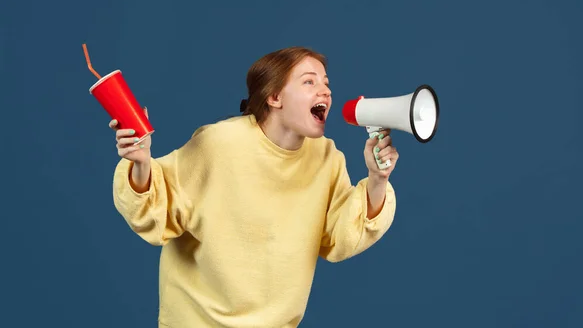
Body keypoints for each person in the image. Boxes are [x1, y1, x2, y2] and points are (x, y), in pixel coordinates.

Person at [110, 46, 399, 328]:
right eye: (309, 81)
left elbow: (340, 236)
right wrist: (142, 163)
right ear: (274, 97)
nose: (326, 91)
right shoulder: (218, 144)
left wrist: (377, 179)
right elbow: (155, 212)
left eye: (326, 83)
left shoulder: (326, 158)